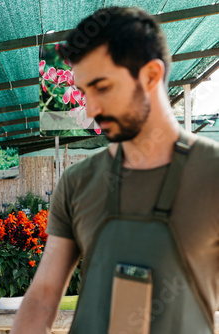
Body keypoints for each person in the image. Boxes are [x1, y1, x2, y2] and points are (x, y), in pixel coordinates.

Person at [12, 6, 219, 334]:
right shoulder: (78, 182)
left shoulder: (211, 173)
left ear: (151, 75)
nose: (91, 109)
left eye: (103, 87)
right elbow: (44, 296)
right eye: (84, 92)